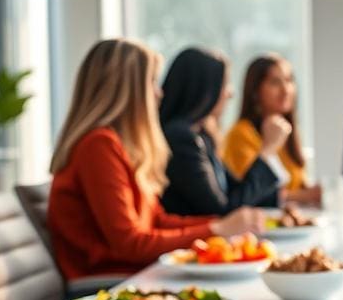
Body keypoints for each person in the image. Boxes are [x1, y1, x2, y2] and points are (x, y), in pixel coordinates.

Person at [48, 38, 263, 279]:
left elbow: (156, 220)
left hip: (137, 276)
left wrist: (220, 226)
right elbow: (131, 244)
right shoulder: (98, 146)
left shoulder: (115, 144)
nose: (159, 93)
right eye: (151, 82)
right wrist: (216, 229)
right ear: (128, 90)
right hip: (112, 284)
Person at [158, 47, 287, 215]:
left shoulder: (202, 135)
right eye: (224, 84)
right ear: (205, 90)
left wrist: (281, 201)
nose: (230, 93)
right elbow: (222, 211)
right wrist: (267, 151)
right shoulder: (181, 138)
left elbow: (233, 191)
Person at [222, 54, 321, 206]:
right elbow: (251, 192)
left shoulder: (287, 132)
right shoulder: (241, 134)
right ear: (255, 91)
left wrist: (315, 191)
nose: (286, 89)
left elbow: (296, 182)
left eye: (289, 80)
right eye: (275, 82)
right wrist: (304, 196)